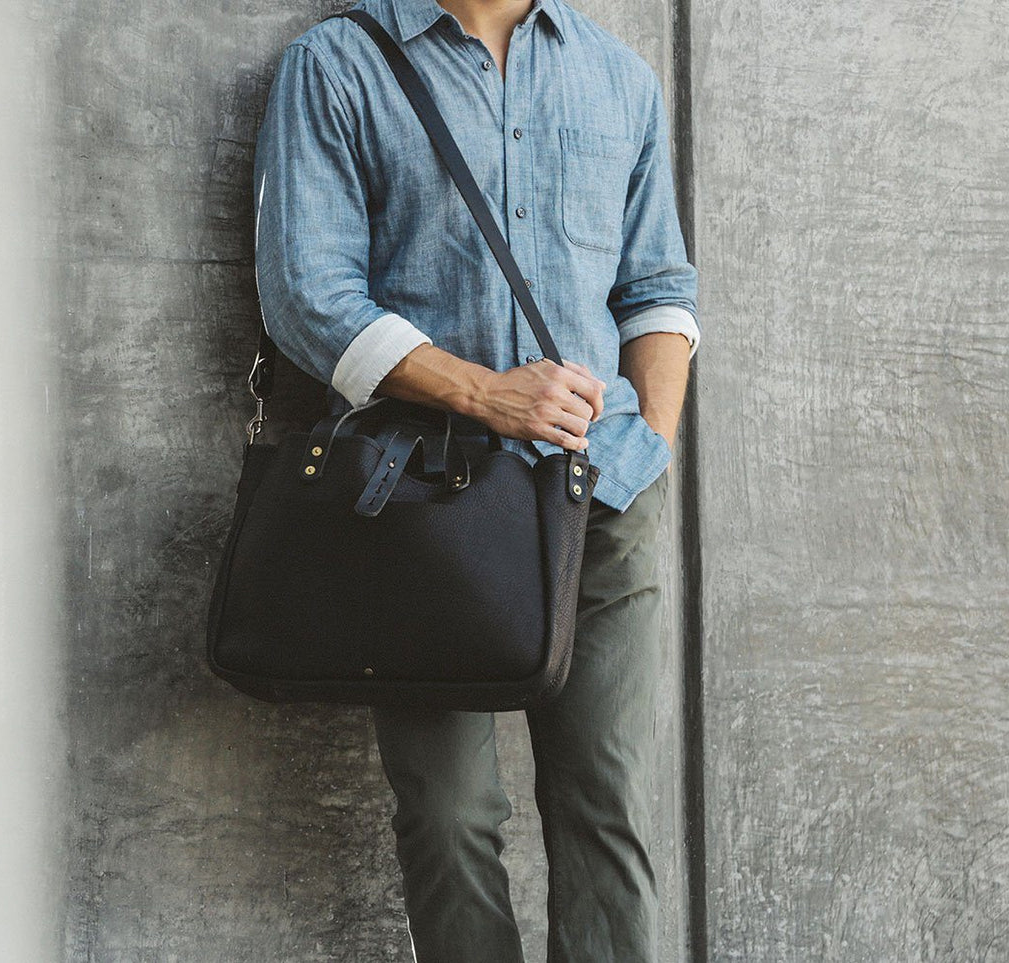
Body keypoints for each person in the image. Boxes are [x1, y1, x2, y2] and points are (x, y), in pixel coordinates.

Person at [251, 0, 699, 959]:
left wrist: (649, 444)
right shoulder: (337, 65)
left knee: (608, 801)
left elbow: (656, 289)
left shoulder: (618, 77)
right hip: (425, 505)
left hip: (602, 493)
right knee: (449, 812)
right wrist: (485, 394)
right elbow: (306, 294)